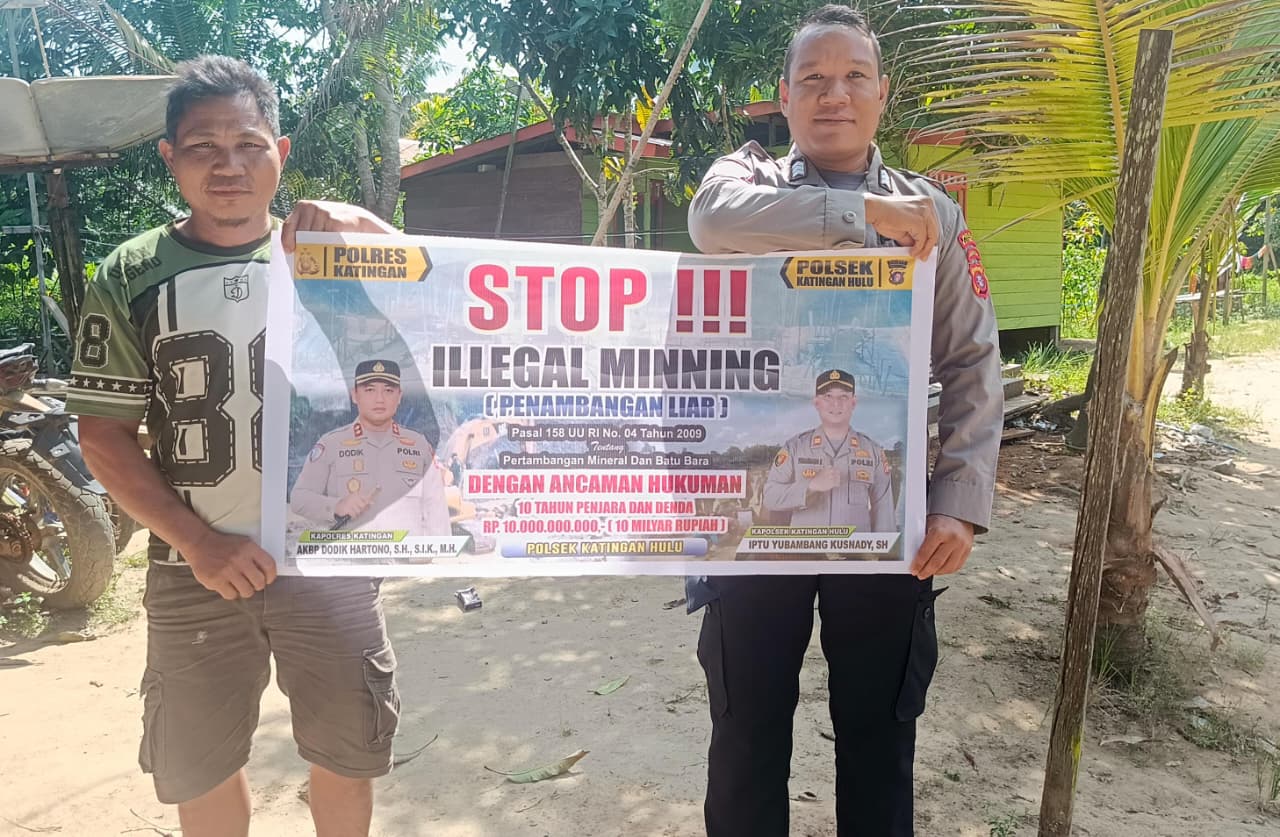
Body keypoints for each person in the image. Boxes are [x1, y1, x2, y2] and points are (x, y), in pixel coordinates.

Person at [685, 6, 1003, 836]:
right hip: (762, 527)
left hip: (884, 521)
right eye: (814, 79)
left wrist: (960, 501)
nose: (835, 94)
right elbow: (711, 224)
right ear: (784, 98)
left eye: (854, 76)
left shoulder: (936, 213)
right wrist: (862, 220)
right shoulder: (743, 182)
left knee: (878, 739)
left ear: (882, 93)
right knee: (747, 737)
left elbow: (972, 362)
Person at [70, 55, 402, 837]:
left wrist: (380, 232)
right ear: (170, 157)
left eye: (249, 144)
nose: (228, 165)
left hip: (330, 562)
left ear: (281, 152)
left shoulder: (331, 257)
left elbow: (442, 328)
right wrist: (197, 542)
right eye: (203, 147)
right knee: (202, 763)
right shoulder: (132, 273)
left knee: (348, 755)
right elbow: (102, 433)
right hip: (195, 572)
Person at [290, 359, 450, 536]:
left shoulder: (419, 445)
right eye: (370, 390)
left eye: (388, 391)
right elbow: (299, 498)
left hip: (408, 559)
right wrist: (336, 506)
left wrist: (440, 556)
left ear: (399, 396)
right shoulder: (331, 444)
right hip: (352, 559)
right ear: (355, 395)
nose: (379, 399)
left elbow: (436, 510)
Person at [764, 368, 895, 532]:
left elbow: (884, 511)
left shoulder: (873, 451)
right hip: (805, 553)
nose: (836, 404)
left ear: (853, 403)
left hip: (856, 553)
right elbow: (770, 496)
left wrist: (884, 554)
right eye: (828, 396)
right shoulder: (794, 448)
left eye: (843, 396)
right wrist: (810, 486)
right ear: (817, 403)